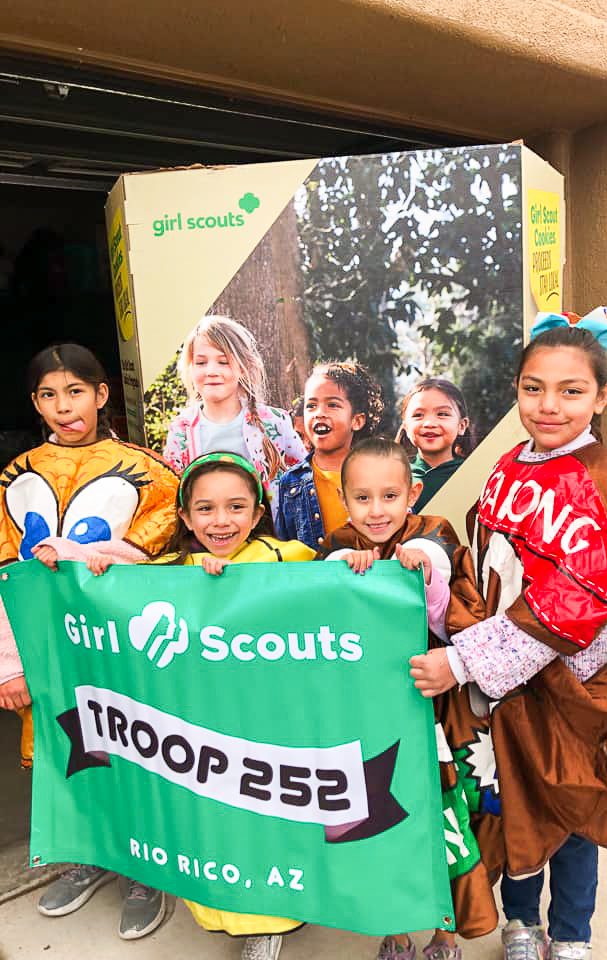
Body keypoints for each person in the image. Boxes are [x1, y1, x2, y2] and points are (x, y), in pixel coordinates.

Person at [410, 309, 607, 960]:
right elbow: (489, 559)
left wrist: (462, 662)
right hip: (514, 690)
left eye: (571, 390)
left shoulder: (599, 477)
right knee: (516, 803)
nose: (549, 405)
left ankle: (571, 935)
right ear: (516, 390)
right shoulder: (511, 466)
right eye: (533, 388)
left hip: (577, 687)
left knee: (574, 818)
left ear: (601, 396)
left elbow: (572, 600)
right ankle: (521, 924)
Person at [90, 451, 315, 960]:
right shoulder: (171, 571)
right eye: (206, 509)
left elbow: (338, 587)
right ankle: (228, 914)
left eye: (236, 507)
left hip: (270, 731)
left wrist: (358, 562)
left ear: (259, 513)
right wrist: (98, 571)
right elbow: (116, 592)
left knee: (267, 825)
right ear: (186, 518)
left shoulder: (289, 557)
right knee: (213, 828)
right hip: (197, 736)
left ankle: (268, 924)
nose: (221, 521)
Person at [0, 343, 179, 939]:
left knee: (135, 747)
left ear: (102, 394)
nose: (63, 406)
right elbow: (5, 572)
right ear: (35, 403)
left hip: (119, 649)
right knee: (66, 755)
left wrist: (83, 555)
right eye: (49, 395)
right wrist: (8, 663)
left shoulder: (151, 472)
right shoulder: (14, 477)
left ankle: (145, 868)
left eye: (75, 391)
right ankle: (87, 856)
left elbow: (159, 561)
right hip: (46, 649)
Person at [321, 437, 498, 960]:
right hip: (370, 714)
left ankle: (445, 927)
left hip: (435, 707)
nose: (377, 511)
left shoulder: (434, 534)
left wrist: (421, 576)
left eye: (390, 496)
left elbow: (458, 612)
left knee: (445, 814)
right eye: (362, 498)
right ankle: (394, 921)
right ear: (344, 496)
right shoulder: (337, 542)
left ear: (412, 493)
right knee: (381, 814)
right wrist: (339, 571)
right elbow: (314, 624)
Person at [162, 315, 307, 517]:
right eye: (201, 362)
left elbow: (307, 477)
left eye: (223, 362)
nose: (211, 371)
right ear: (190, 367)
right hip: (208, 541)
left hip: (270, 540)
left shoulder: (274, 422)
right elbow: (171, 493)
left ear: (244, 367)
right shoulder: (181, 430)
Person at [275, 361, 383, 550]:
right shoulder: (291, 481)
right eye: (311, 406)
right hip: (314, 578)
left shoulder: (380, 474)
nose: (319, 413)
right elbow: (283, 548)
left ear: (356, 421)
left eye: (332, 405)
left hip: (369, 576)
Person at [397, 379, 472, 513]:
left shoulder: (475, 474)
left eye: (442, 414)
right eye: (418, 415)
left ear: (462, 426)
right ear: (406, 427)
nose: (429, 423)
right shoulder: (395, 475)